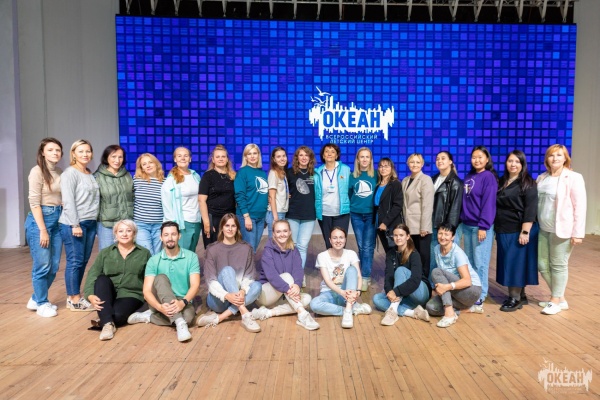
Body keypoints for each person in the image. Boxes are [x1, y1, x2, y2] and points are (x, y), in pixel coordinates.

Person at [127, 221, 200, 342]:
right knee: (160, 277)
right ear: (161, 237)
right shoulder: (154, 260)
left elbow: (195, 285)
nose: (170, 238)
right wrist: (160, 307)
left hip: (182, 299)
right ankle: (179, 321)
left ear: (179, 236)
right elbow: (146, 291)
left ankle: (150, 316)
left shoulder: (191, 257)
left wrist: (182, 303)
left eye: (173, 234)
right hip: (160, 300)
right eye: (166, 235)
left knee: (188, 319)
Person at [536, 144, 586, 315]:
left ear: (565, 158)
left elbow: (580, 207)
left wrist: (578, 233)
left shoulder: (573, 177)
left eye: (559, 155)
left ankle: (555, 300)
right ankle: (560, 298)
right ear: (547, 159)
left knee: (558, 265)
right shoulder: (542, 178)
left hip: (562, 229)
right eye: (551, 155)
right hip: (543, 228)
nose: (555, 158)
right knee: (542, 264)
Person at [83, 220, 151, 340]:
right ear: (115, 234)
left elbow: (149, 277)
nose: (124, 234)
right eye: (121, 231)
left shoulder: (144, 253)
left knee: (118, 316)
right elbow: (92, 274)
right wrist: (90, 295)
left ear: (134, 233)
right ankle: (108, 325)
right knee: (101, 279)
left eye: (128, 231)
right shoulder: (105, 253)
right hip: (108, 292)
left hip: (131, 293)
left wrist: (149, 297)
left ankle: (104, 318)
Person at [196, 214, 263, 332]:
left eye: (233, 226)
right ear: (222, 228)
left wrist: (243, 291)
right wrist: (227, 295)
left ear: (237, 228)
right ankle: (245, 313)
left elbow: (249, 276)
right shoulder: (212, 249)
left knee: (257, 286)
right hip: (219, 300)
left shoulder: (246, 248)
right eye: (227, 225)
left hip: (239, 297)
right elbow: (211, 282)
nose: (230, 229)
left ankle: (220, 318)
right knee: (227, 270)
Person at [251, 220, 320, 330]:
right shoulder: (268, 251)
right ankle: (302, 315)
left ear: (290, 232)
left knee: (307, 299)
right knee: (287, 276)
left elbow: (298, 270)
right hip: (266, 295)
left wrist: (297, 285)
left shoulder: (294, 250)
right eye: (278, 232)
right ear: (274, 234)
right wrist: (289, 289)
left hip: (284, 295)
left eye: (285, 231)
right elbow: (272, 276)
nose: (282, 234)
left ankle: (268, 313)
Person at [59, 139, 100, 312]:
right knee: (75, 261)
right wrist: (75, 224)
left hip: (90, 222)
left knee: (83, 261)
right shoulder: (70, 173)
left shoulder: (89, 173)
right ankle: (74, 299)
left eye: (88, 151)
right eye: (81, 151)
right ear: (73, 154)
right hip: (74, 223)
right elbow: (68, 201)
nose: (85, 154)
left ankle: (75, 295)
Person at [495, 150, 538, 312]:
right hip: (503, 227)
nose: (513, 164)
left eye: (517, 161)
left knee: (515, 263)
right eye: (510, 161)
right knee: (510, 262)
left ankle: (514, 298)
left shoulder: (528, 183)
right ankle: (522, 295)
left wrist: (525, 231)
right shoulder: (502, 181)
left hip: (519, 229)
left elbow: (530, 209)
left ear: (522, 164)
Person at [25, 138, 63, 317]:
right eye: (50, 150)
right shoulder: (37, 171)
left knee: (54, 266)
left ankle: (35, 298)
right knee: (42, 265)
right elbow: (34, 202)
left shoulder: (60, 172)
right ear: (42, 153)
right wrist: (42, 230)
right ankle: (41, 303)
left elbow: (59, 197)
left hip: (57, 219)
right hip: (40, 221)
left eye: (58, 150)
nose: (55, 153)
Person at [459, 145, 497, 312]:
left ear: (487, 159)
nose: (477, 160)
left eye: (480, 157)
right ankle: (473, 291)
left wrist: (483, 225)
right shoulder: (469, 176)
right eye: (474, 157)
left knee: (481, 262)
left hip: (481, 227)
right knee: (470, 262)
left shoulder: (488, 177)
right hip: (467, 226)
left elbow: (489, 203)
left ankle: (481, 295)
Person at [310, 227, 372, 329]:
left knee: (352, 270)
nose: (338, 241)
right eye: (335, 238)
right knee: (314, 305)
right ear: (330, 240)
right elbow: (328, 281)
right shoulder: (322, 256)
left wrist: (358, 291)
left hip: (347, 292)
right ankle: (351, 310)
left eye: (341, 237)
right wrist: (342, 292)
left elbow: (358, 276)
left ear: (345, 239)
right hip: (329, 292)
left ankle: (348, 308)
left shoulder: (351, 254)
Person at [373, 224, 431, 326]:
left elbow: (415, 280)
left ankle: (392, 311)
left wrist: (395, 292)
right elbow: (388, 276)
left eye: (401, 235)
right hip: (405, 295)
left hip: (420, 292)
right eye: (395, 235)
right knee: (377, 299)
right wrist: (389, 291)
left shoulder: (414, 254)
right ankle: (413, 312)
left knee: (400, 270)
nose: (398, 238)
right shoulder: (391, 254)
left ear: (407, 236)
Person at [426, 223, 482, 328]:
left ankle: (449, 314)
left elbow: (467, 281)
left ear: (453, 237)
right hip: (456, 292)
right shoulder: (437, 249)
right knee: (431, 307)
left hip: (472, 290)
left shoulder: (457, 253)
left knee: (436, 271)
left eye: (446, 234)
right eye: (440, 233)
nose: (442, 237)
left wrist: (446, 287)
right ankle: (468, 308)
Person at [286, 146, 317, 283]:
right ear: (297, 158)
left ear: (310, 158)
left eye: (306, 155)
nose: (304, 158)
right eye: (301, 155)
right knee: (293, 245)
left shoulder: (315, 174)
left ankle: (299, 275)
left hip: (309, 215)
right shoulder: (289, 173)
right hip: (292, 213)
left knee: (303, 246)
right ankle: (291, 274)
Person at [161, 147, 202, 252]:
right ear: (175, 159)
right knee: (181, 253)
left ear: (190, 159)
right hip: (182, 223)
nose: (183, 158)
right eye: (179, 156)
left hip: (196, 221)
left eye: (186, 156)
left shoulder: (195, 176)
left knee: (191, 253)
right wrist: (172, 226)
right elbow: (167, 205)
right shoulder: (171, 180)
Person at [94, 145, 134, 250]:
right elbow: (94, 202)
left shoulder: (127, 175)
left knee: (126, 253)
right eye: (113, 156)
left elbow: (133, 197)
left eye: (120, 157)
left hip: (126, 222)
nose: (117, 160)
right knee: (107, 253)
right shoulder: (97, 176)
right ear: (106, 157)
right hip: (106, 224)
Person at [401, 153, 434, 278]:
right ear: (408, 164)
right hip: (408, 225)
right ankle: (413, 280)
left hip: (421, 227)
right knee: (411, 255)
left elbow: (427, 205)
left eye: (417, 162)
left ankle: (424, 282)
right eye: (412, 162)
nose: (414, 164)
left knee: (423, 257)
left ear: (422, 164)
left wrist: (424, 226)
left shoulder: (426, 180)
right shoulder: (405, 180)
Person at [349, 147, 377, 291]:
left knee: (367, 246)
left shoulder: (377, 175)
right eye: (362, 157)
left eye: (367, 157)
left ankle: (365, 276)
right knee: (361, 246)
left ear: (371, 160)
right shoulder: (352, 176)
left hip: (371, 214)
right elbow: (349, 194)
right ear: (358, 159)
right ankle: (363, 274)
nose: (365, 159)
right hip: (356, 214)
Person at [199, 144, 236, 248]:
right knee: (213, 250)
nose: (221, 159)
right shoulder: (208, 176)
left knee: (229, 249)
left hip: (229, 219)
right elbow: (201, 200)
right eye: (218, 157)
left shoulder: (233, 176)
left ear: (227, 159)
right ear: (213, 160)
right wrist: (207, 222)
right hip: (213, 218)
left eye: (223, 156)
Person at [430, 151, 463, 270]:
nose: (439, 161)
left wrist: (447, 230)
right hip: (433, 225)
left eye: (443, 158)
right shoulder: (433, 179)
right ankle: (433, 281)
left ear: (450, 161)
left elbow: (455, 209)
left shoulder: (456, 182)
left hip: (445, 228)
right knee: (433, 258)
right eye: (437, 158)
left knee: (448, 260)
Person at [314, 143, 351, 248]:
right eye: (326, 151)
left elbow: (352, 188)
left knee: (340, 243)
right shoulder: (317, 172)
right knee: (329, 242)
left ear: (337, 155)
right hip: (324, 213)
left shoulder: (346, 169)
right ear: (323, 155)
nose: (329, 154)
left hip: (342, 213)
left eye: (332, 152)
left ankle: (340, 260)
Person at [234, 144, 268, 252]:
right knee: (249, 250)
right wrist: (246, 216)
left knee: (253, 249)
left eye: (255, 153)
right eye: (249, 154)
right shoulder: (242, 172)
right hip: (248, 216)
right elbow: (239, 195)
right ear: (245, 157)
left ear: (259, 155)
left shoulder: (262, 173)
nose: (252, 156)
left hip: (261, 217)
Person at [133, 153, 165, 255]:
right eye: (144, 164)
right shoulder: (136, 181)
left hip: (159, 224)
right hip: (141, 224)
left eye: (150, 162)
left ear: (156, 164)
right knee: (147, 252)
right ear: (141, 168)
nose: (148, 165)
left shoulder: (165, 182)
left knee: (157, 253)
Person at [374, 158, 404, 254]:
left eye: (386, 166)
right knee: (388, 251)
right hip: (379, 222)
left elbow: (397, 206)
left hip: (390, 223)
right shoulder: (378, 184)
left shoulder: (395, 184)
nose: (383, 169)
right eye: (381, 166)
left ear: (392, 168)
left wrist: (385, 223)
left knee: (395, 251)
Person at [266, 147, 289, 239]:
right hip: (275, 213)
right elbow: (272, 196)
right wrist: (275, 217)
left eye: (284, 156)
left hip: (282, 212)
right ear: (274, 159)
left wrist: (286, 195)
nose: (282, 159)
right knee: (274, 242)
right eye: (278, 157)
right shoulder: (273, 173)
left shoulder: (282, 172)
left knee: (280, 241)